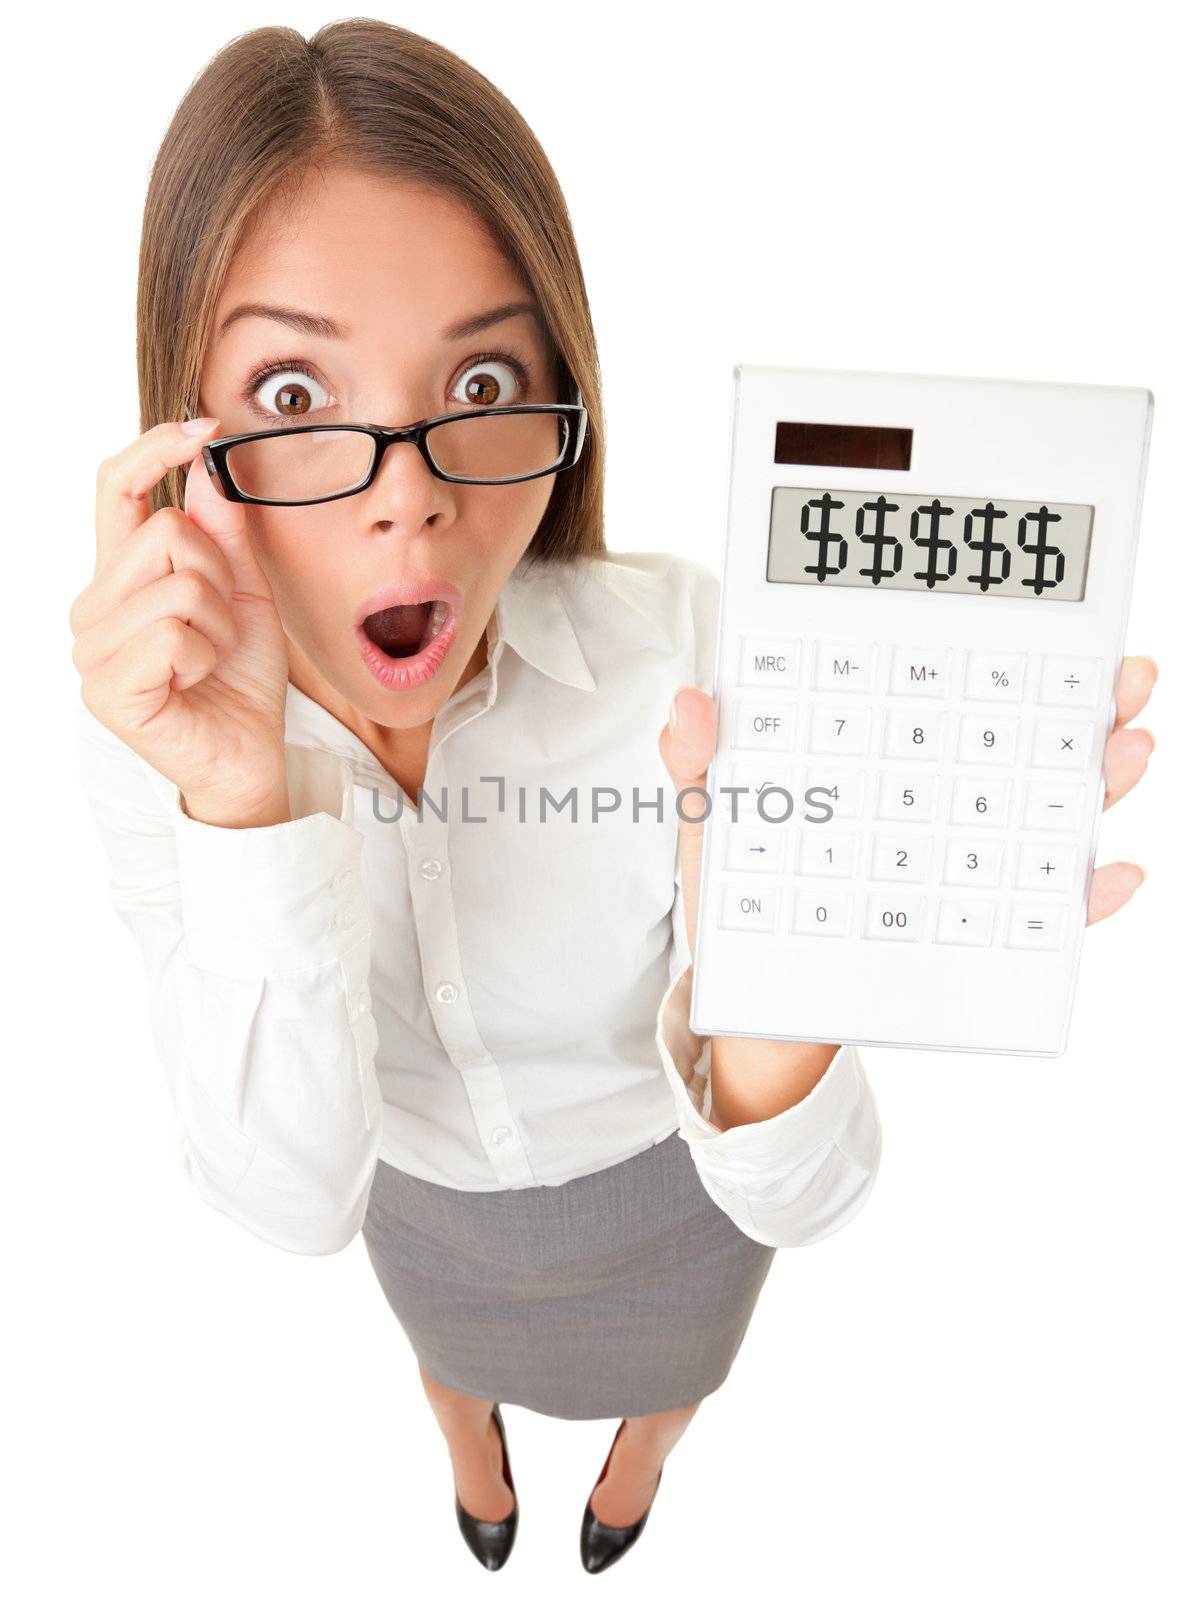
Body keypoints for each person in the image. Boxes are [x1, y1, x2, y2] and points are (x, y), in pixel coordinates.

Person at [67, 18, 1158, 1577]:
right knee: (443, 1356)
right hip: (421, 1202)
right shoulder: (150, 727)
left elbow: (808, 1197)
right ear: (186, 423)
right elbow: (293, 1203)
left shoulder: (691, 660)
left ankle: (640, 1463)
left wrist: (780, 994)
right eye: (296, 389)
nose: (410, 491)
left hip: (675, 1188)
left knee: (678, 1368)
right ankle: (469, 1448)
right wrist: (240, 800)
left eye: (487, 377)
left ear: (563, 382)